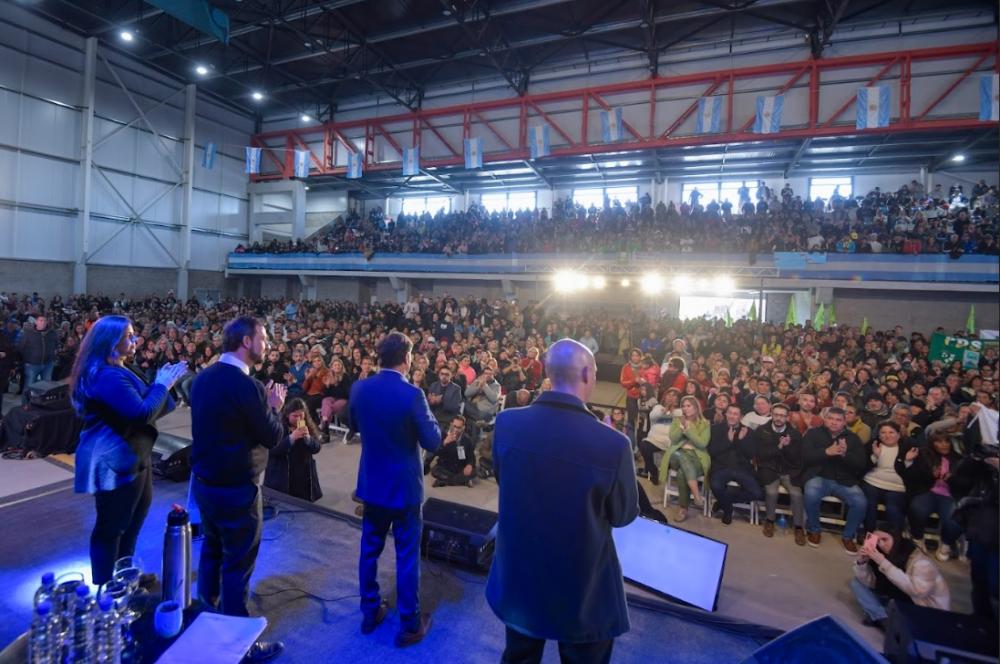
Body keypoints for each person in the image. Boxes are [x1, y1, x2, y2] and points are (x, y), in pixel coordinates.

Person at [487, 339, 638, 664]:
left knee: (519, 656)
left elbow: (503, 479)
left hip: (520, 574)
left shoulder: (507, 423)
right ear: (586, 374)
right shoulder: (614, 444)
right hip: (582, 587)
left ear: (548, 372)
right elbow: (623, 515)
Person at [190, 316, 287, 663]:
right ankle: (237, 645)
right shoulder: (249, 387)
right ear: (246, 341)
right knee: (237, 565)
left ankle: (204, 617)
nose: (268, 344)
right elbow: (272, 437)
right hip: (238, 490)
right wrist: (275, 408)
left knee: (212, 550)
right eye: (264, 337)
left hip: (205, 484)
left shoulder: (202, 378)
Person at [71, 315, 185, 585]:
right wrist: (161, 385)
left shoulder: (123, 367)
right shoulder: (105, 376)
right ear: (110, 342)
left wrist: (164, 386)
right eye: (129, 336)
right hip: (112, 460)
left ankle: (124, 576)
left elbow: (156, 408)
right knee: (112, 527)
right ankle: (107, 589)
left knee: (133, 521)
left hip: (134, 454)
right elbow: (141, 412)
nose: (136, 340)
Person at [350, 331, 440, 647]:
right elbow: (433, 441)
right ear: (407, 358)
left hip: (372, 484)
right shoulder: (413, 394)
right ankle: (409, 624)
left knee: (369, 550)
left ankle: (369, 611)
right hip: (404, 489)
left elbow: (354, 425)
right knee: (407, 556)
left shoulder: (360, 388)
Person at [850, 529, 950, 630]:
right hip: (899, 600)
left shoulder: (921, 562)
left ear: (896, 538)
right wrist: (862, 563)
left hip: (925, 610)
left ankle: (883, 619)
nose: (882, 544)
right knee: (857, 583)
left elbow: (917, 591)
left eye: (885, 539)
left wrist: (883, 562)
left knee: (882, 607)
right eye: (878, 541)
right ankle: (884, 618)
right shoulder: (884, 555)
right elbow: (872, 583)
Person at [802, 407, 868, 554]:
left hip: (844, 480)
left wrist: (845, 455)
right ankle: (814, 530)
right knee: (810, 494)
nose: (834, 422)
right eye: (830, 418)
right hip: (818, 476)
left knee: (860, 502)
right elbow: (805, 457)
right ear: (825, 419)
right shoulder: (813, 433)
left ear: (844, 422)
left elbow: (861, 464)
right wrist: (826, 452)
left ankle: (848, 536)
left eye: (838, 420)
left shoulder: (853, 438)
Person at [902, 433, 963, 559]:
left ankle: (946, 543)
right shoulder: (924, 455)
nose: (944, 445)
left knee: (954, 517)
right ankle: (918, 538)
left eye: (946, 441)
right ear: (932, 443)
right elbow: (913, 477)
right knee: (917, 509)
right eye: (939, 442)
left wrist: (952, 479)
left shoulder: (958, 459)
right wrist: (930, 475)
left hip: (949, 495)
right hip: (927, 491)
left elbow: (966, 483)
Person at [753, 403, 807, 544]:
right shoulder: (761, 430)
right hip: (768, 469)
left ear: (787, 417)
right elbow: (760, 455)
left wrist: (787, 447)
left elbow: (797, 459)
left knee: (797, 494)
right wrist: (779, 447)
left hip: (789, 470)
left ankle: (799, 527)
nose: (779, 418)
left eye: (782, 416)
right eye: (776, 415)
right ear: (771, 414)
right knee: (771, 492)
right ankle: (769, 521)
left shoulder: (795, 434)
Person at [707, 404, 763, 525]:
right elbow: (712, 451)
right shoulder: (715, 429)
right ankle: (728, 510)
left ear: (740, 416)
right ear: (726, 414)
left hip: (742, 468)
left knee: (757, 493)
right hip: (721, 467)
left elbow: (751, 454)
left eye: (735, 414)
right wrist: (728, 441)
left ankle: (723, 501)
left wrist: (741, 441)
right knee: (715, 486)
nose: (732, 416)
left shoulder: (748, 431)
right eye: (730, 413)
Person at [659, 395, 711, 522]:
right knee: (680, 456)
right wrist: (681, 427)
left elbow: (702, 444)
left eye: (688, 406)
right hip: (677, 455)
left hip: (696, 457)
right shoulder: (677, 421)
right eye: (683, 406)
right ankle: (696, 494)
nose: (685, 408)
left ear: (696, 407)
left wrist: (688, 430)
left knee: (682, 473)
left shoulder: (705, 424)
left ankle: (683, 508)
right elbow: (674, 439)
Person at [860, 421, 915, 537]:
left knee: (893, 509)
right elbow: (861, 468)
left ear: (898, 435)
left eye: (891, 432)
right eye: (883, 433)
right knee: (869, 505)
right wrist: (875, 456)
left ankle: (893, 540)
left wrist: (907, 461)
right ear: (879, 435)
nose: (887, 435)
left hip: (896, 487)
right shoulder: (873, 445)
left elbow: (914, 475)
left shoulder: (907, 448)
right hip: (872, 482)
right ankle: (869, 537)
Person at [264, 398, 323, 502]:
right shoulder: (279, 426)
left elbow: (317, 447)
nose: (298, 419)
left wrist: (308, 439)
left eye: (301, 415)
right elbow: (272, 450)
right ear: (287, 415)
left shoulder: (307, 425)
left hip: (303, 476)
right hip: (283, 475)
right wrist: (291, 438)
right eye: (295, 416)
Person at [425, 415, 476, 487]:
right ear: (451, 424)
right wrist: (444, 443)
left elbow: (471, 456)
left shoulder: (467, 440)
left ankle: (444, 481)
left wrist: (469, 465)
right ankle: (462, 481)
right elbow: (435, 452)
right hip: (445, 467)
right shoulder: (442, 435)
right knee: (435, 471)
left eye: (459, 427)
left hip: (460, 467)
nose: (456, 429)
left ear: (463, 428)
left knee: (474, 472)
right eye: (454, 426)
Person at [18, 314, 59, 386]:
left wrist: (53, 357)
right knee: (29, 385)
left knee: (46, 386)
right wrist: (26, 360)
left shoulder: (52, 333)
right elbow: (21, 347)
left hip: (48, 364)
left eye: (45, 321)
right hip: (32, 364)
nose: (43, 322)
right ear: (36, 322)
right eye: (41, 320)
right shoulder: (28, 333)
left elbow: (56, 345)